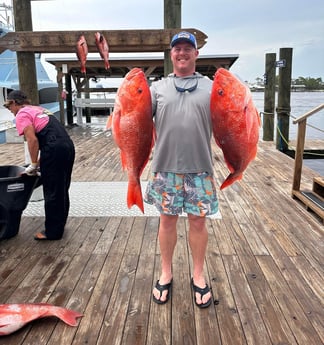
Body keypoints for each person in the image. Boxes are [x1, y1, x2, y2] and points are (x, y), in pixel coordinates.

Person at [144, 31, 218, 308]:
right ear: (171, 54)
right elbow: (136, 119)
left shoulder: (211, 87)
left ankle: (198, 274)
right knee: (167, 221)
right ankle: (166, 271)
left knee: (198, 222)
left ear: (196, 54)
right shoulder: (157, 88)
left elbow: (231, 117)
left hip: (200, 168)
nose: (182, 52)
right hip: (165, 167)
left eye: (188, 48)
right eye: (178, 48)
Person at [4, 90, 75, 240]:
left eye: (8, 106)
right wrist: (38, 165)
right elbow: (52, 140)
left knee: (52, 190)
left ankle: (52, 232)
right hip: (67, 147)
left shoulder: (22, 114)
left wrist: (34, 164)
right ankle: (59, 225)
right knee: (61, 187)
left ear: (14, 103)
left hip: (54, 148)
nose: (9, 110)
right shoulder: (40, 109)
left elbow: (33, 140)